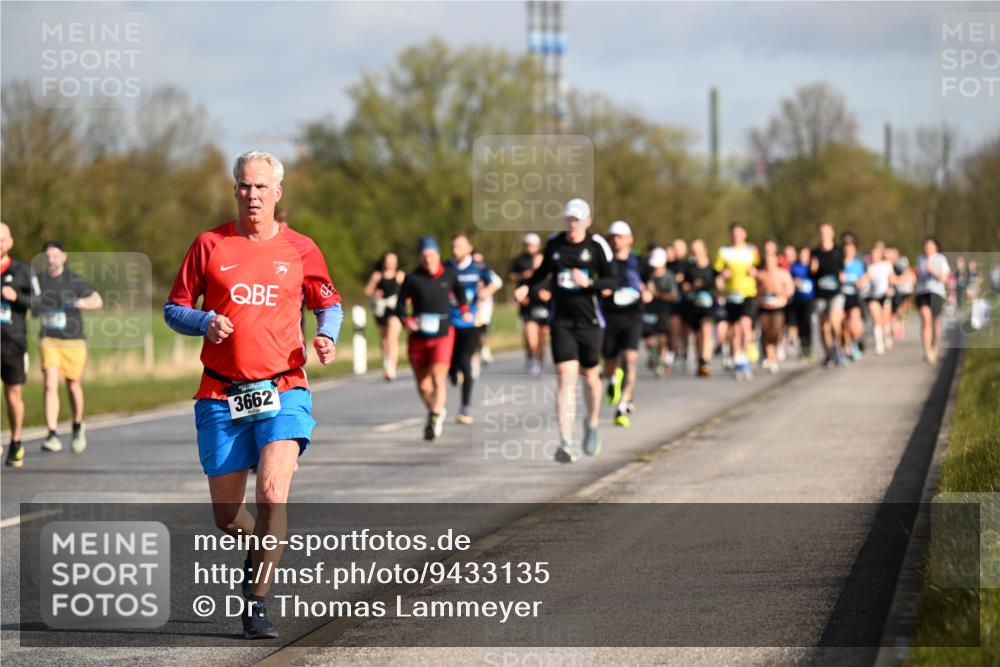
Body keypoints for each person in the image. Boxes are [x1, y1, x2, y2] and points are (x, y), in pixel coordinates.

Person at [164, 150, 343, 639]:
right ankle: (262, 543)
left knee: (271, 496)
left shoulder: (302, 249)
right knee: (226, 515)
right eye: (244, 186)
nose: (252, 195)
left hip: (284, 388)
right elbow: (173, 308)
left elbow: (330, 305)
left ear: (277, 192)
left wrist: (327, 334)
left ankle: (257, 603)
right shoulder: (209, 244)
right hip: (221, 394)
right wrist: (205, 320)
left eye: (262, 187)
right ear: (235, 190)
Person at [514, 198, 616, 463]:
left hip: (590, 321)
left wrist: (589, 283)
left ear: (587, 221)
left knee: (591, 375)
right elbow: (542, 273)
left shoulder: (597, 246)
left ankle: (591, 424)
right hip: (561, 320)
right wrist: (527, 286)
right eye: (569, 219)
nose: (572, 224)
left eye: (577, 219)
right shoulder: (555, 244)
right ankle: (565, 441)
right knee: (565, 378)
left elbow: (611, 280)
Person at [395, 236, 471, 440]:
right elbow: (400, 305)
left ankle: (435, 416)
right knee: (423, 384)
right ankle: (435, 409)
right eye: (424, 256)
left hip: (443, 334)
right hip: (419, 336)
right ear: (420, 258)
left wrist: (464, 310)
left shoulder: (449, 275)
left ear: (438, 255)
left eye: (431, 256)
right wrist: (407, 321)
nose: (428, 260)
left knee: (439, 378)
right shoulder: (413, 278)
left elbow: (461, 294)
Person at [33, 240, 103, 454]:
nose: (51, 259)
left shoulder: (74, 280)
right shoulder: (39, 281)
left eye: (55, 255)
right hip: (49, 338)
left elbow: (97, 300)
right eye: (48, 256)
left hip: (73, 340)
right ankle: (52, 434)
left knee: (73, 384)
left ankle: (77, 425)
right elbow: (31, 304)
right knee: (50, 384)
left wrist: (83, 303)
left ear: (64, 257)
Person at [600, 221, 651, 427]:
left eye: (620, 237)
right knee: (609, 363)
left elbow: (649, 284)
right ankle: (613, 380)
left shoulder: (639, 262)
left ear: (629, 239)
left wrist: (648, 293)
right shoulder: (604, 262)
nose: (617, 241)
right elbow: (597, 283)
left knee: (630, 360)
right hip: (610, 316)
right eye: (613, 237)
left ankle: (623, 405)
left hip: (632, 316)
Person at [446, 234, 497, 425]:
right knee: (452, 360)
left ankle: (465, 407)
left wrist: (486, 291)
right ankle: (452, 371)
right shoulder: (447, 267)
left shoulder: (478, 267)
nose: (455, 249)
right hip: (449, 322)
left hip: (470, 322)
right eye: (453, 246)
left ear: (469, 248)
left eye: (459, 246)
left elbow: (494, 282)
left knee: (465, 362)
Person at [1, 223, 32, 467]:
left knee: (13, 393)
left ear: (10, 242)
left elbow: (41, 302)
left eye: (2, 239)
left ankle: (16, 441)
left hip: (13, 341)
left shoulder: (22, 270)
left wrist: (17, 297)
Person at [714, 222, 759, 380]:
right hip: (730, 295)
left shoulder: (752, 251)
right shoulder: (724, 252)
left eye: (739, 233)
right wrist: (721, 277)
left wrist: (756, 272)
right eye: (734, 233)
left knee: (745, 325)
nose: (736, 236)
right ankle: (737, 359)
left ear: (744, 234)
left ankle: (744, 358)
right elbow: (716, 274)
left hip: (748, 293)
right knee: (734, 330)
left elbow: (761, 270)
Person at [508, 233, 551, 376]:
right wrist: (522, 297)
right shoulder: (523, 270)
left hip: (546, 310)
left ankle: (539, 362)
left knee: (542, 339)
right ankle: (531, 357)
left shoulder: (550, 277)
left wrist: (549, 297)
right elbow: (512, 278)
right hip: (529, 309)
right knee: (530, 337)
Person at [364, 252, 405, 381]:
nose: (390, 263)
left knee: (393, 337)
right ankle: (386, 364)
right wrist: (375, 293)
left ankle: (391, 366)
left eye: (393, 260)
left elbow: (408, 291)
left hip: (395, 310)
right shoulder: (377, 276)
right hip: (381, 310)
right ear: (383, 262)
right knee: (385, 339)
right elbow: (367, 291)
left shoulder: (400, 275)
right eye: (388, 260)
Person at [756, 241, 795, 374]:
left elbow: (790, 289)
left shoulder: (783, 273)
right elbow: (755, 289)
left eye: (771, 261)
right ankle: (770, 358)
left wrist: (782, 295)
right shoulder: (760, 274)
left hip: (778, 306)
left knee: (776, 331)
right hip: (764, 306)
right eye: (767, 261)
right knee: (766, 332)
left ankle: (775, 352)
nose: (769, 264)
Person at [679, 239, 717, 377]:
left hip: (708, 304)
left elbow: (718, 284)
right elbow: (683, 285)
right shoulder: (689, 267)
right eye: (694, 251)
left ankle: (705, 361)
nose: (696, 253)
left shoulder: (712, 267)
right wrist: (691, 286)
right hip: (693, 305)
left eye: (698, 250)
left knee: (706, 330)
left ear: (704, 250)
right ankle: (700, 359)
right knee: (696, 335)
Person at [811, 222, 845, 368]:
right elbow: (811, 273)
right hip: (820, 294)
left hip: (836, 293)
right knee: (823, 328)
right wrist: (812, 269)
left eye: (827, 231)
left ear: (832, 233)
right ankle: (828, 354)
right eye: (822, 232)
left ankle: (838, 348)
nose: (824, 234)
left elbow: (843, 271)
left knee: (833, 323)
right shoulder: (815, 253)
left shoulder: (838, 251)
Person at [915, 237, 950, 364]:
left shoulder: (941, 259)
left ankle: (935, 346)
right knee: (926, 319)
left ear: (936, 247)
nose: (927, 248)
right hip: (922, 292)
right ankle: (927, 350)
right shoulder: (920, 258)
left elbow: (945, 278)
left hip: (936, 292)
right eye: (925, 246)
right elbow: (918, 274)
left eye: (929, 246)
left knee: (935, 322)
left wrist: (932, 271)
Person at [644, 248, 678, 377]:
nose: (655, 268)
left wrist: (657, 294)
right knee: (649, 341)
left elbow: (674, 296)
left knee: (663, 339)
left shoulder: (669, 276)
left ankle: (661, 363)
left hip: (663, 311)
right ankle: (654, 356)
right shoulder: (649, 275)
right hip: (649, 311)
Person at [860, 241, 895, 356]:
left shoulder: (886, 265)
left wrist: (890, 287)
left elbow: (891, 278)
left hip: (884, 295)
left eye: (876, 255)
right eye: (872, 255)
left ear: (880, 255)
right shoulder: (869, 267)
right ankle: (879, 344)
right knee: (877, 320)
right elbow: (865, 279)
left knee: (885, 321)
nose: (874, 257)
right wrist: (860, 282)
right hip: (873, 296)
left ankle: (887, 335)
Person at [839, 233, 866, 364]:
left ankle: (856, 342)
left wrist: (861, 281)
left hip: (854, 296)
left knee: (854, 324)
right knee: (843, 325)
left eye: (851, 249)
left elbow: (865, 278)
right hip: (840, 297)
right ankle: (846, 350)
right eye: (846, 249)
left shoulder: (859, 264)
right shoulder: (839, 263)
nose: (848, 251)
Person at [788, 247, 815, 359]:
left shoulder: (812, 267)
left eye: (806, 254)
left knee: (807, 324)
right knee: (795, 324)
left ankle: (807, 347)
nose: (803, 256)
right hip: (796, 299)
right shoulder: (793, 267)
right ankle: (796, 344)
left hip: (809, 299)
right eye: (802, 254)